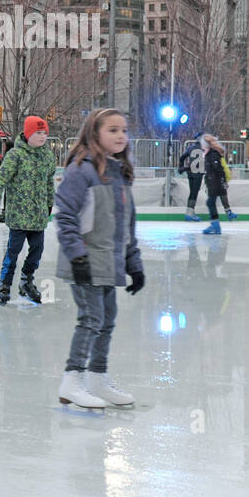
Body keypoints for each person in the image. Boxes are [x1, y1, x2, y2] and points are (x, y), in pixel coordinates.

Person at [54, 108, 142, 409]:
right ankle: (72, 379)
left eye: (124, 130)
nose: (121, 136)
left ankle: (97, 378)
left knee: (107, 321)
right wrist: (78, 257)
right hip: (86, 261)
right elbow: (65, 217)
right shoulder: (82, 170)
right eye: (113, 130)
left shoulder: (119, 173)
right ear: (95, 134)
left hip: (108, 260)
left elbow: (126, 225)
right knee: (91, 319)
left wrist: (134, 263)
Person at [0, 116, 57, 305]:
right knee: (13, 252)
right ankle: (4, 285)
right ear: (27, 134)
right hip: (18, 216)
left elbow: (49, 182)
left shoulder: (47, 156)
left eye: (44, 133)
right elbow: (0, 181)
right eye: (38, 133)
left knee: (37, 251)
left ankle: (26, 282)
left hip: (39, 216)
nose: (42, 137)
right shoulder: (15, 155)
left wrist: (49, 203)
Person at [199, 134, 232, 234]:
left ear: (206, 145)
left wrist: (222, 182)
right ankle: (215, 225)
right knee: (210, 203)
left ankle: (215, 225)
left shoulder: (213, 154)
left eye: (202, 144)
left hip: (215, 183)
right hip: (213, 182)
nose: (201, 147)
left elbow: (219, 170)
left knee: (210, 202)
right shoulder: (210, 154)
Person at [178, 135, 205, 222]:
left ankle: (189, 212)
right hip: (198, 173)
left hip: (190, 173)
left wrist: (181, 167)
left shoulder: (191, 148)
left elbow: (182, 158)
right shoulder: (204, 149)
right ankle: (190, 213)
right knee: (194, 193)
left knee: (192, 193)